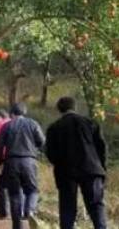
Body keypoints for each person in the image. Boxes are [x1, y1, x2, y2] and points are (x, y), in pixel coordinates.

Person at [45, 96, 107, 229]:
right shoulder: (91, 123)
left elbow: (50, 154)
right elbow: (101, 148)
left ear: (59, 109)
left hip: (66, 172)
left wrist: (60, 163)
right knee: (96, 206)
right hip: (92, 169)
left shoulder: (54, 128)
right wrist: (101, 168)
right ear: (75, 107)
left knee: (67, 207)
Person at [0, 103, 45, 229]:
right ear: (24, 112)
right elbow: (42, 141)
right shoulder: (33, 123)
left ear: (12, 114)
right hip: (29, 161)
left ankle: (17, 226)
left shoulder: (6, 126)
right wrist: (35, 151)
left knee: (14, 195)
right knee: (33, 190)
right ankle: (29, 210)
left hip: (11, 162)